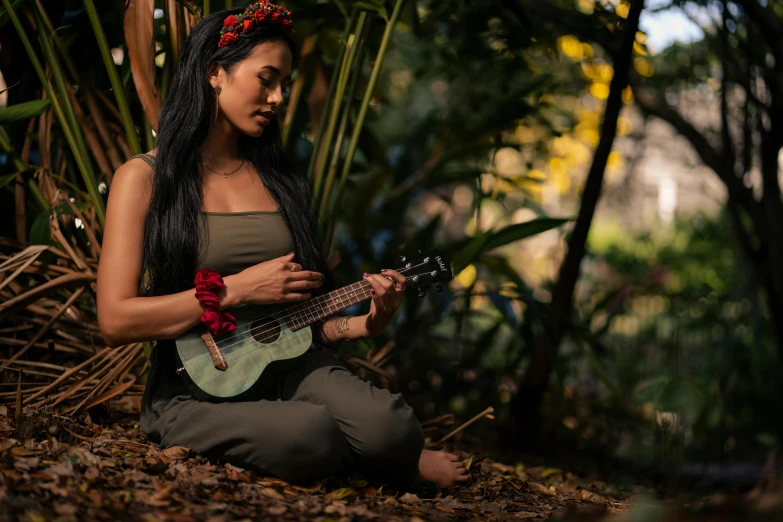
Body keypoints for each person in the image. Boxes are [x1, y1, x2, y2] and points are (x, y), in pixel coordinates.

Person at [96, 1, 469, 489]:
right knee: (310, 436)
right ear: (215, 73)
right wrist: (235, 290)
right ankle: (343, 451)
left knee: (394, 429)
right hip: (196, 383)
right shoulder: (144, 178)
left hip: (290, 363)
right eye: (266, 79)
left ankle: (372, 450)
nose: (277, 98)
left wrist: (367, 322)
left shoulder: (282, 182)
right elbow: (115, 320)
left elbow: (306, 320)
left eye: (284, 86)